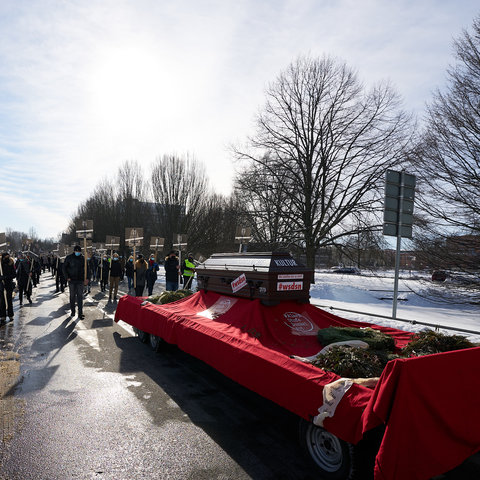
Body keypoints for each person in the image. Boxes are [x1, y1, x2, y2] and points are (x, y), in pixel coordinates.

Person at [63, 245, 87, 319]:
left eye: (79, 251)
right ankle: (73, 311)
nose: (78, 253)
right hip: (72, 280)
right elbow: (64, 268)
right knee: (72, 296)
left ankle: (80, 313)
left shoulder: (83, 258)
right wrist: (67, 277)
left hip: (80, 280)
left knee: (80, 297)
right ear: (74, 251)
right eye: (76, 251)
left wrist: (87, 278)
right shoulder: (69, 258)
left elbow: (86, 268)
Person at [0, 252, 15, 324]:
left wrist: (6, 277)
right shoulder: (0, 264)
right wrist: (1, 278)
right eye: (6, 256)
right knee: (2, 301)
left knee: (9, 300)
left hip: (8, 284)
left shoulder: (11, 263)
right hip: (2, 285)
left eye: (8, 256)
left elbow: (14, 274)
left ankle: (10, 315)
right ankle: (2, 316)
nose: (7, 257)